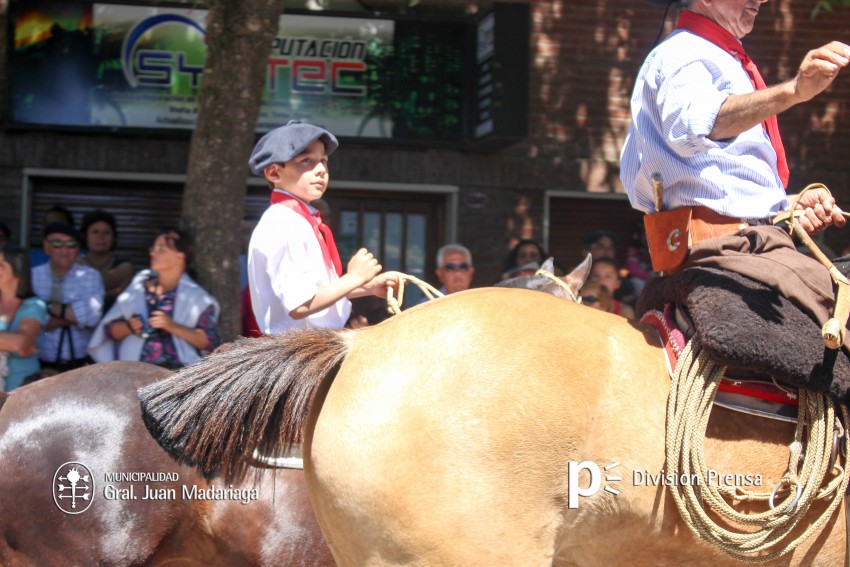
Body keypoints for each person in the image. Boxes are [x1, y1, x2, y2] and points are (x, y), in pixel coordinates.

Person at [620, 0, 850, 337]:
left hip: (747, 243)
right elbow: (700, 124)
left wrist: (784, 208)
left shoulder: (718, 56)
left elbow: (710, 177)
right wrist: (794, 91)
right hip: (725, 248)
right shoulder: (683, 52)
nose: (762, 0)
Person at [247, 120, 398, 334]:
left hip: (312, 346)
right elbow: (300, 305)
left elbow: (315, 293)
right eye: (306, 160)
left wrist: (367, 287)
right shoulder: (282, 223)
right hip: (298, 352)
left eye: (324, 161)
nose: (320, 170)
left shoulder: (300, 220)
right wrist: (353, 278)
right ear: (274, 173)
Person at [88, 228, 219, 369]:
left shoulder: (198, 297)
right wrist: (129, 327)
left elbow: (208, 341)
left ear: (180, 256)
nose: (153, 253)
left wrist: (172, 326)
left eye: (161, 249)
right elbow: (109, 331)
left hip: (178, 374)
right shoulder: (137, 287)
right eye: (153, 248)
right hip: (132, 371)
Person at [31, 222, 103, 373]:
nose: (65, 250)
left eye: (71, 244)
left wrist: (48, 307)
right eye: (57, 243)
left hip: (81, 362)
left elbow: (92, 317)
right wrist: (72, 316)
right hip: (40, 362)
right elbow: (30, 322)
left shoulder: (91, 275)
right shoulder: (32, 276)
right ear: (46, 247)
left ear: (78, 249)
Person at [0, 245, 47, 391]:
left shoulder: (34, 305)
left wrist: (17, 345)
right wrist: (11, 343)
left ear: (18, 270)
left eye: (1, 265)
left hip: (23, 392)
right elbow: (21, 347)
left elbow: (20, 344)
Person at [77, 209, 134, 311]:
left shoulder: (124, 267)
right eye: (95, 232)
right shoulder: (76, 264)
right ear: (85, 236)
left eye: (106, 232)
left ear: (113, 238)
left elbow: (90, 290)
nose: (101, 237)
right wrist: (114, 292)